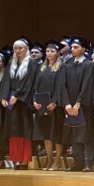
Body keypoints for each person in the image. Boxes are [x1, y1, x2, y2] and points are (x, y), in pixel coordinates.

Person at [57, 37, 94, 172]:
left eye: (76, 47)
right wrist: (66, 103)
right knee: (74, 134)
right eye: (72, 47)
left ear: (83, 49)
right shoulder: (67, 64)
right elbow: (62, 85)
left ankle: (88, 163)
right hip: (69, 106)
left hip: (83, 106)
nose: (72, 49)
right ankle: (78, 162)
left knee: (86, 134)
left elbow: (87, 85)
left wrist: (78, 103)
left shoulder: (89, 65)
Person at [1, 39, 37, 170]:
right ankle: (16, 158)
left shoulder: (31, 63)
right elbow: (6, 81)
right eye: (16, 48)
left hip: (23, 101)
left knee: (25, 130)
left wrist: (17, 95)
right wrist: (4, 97)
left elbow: (30, 82)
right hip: (11, 102)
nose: (18, 51)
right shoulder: (11, 62)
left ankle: (25, 160)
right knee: (13, 129)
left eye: (21, 48)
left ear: (26, 49)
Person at [34, 41, 65, 171]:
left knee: (56, 134)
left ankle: (57, 161)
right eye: (47, 51)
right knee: (46, 134)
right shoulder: (41, 68)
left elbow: (61, 87)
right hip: (42, 105)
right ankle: (49, 160)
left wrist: (55, 102)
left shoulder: (61, 68)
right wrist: (35, 100)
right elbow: (35, 87)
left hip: (55, 106)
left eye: (52, 51)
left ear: (57, 53)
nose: (49, 53)